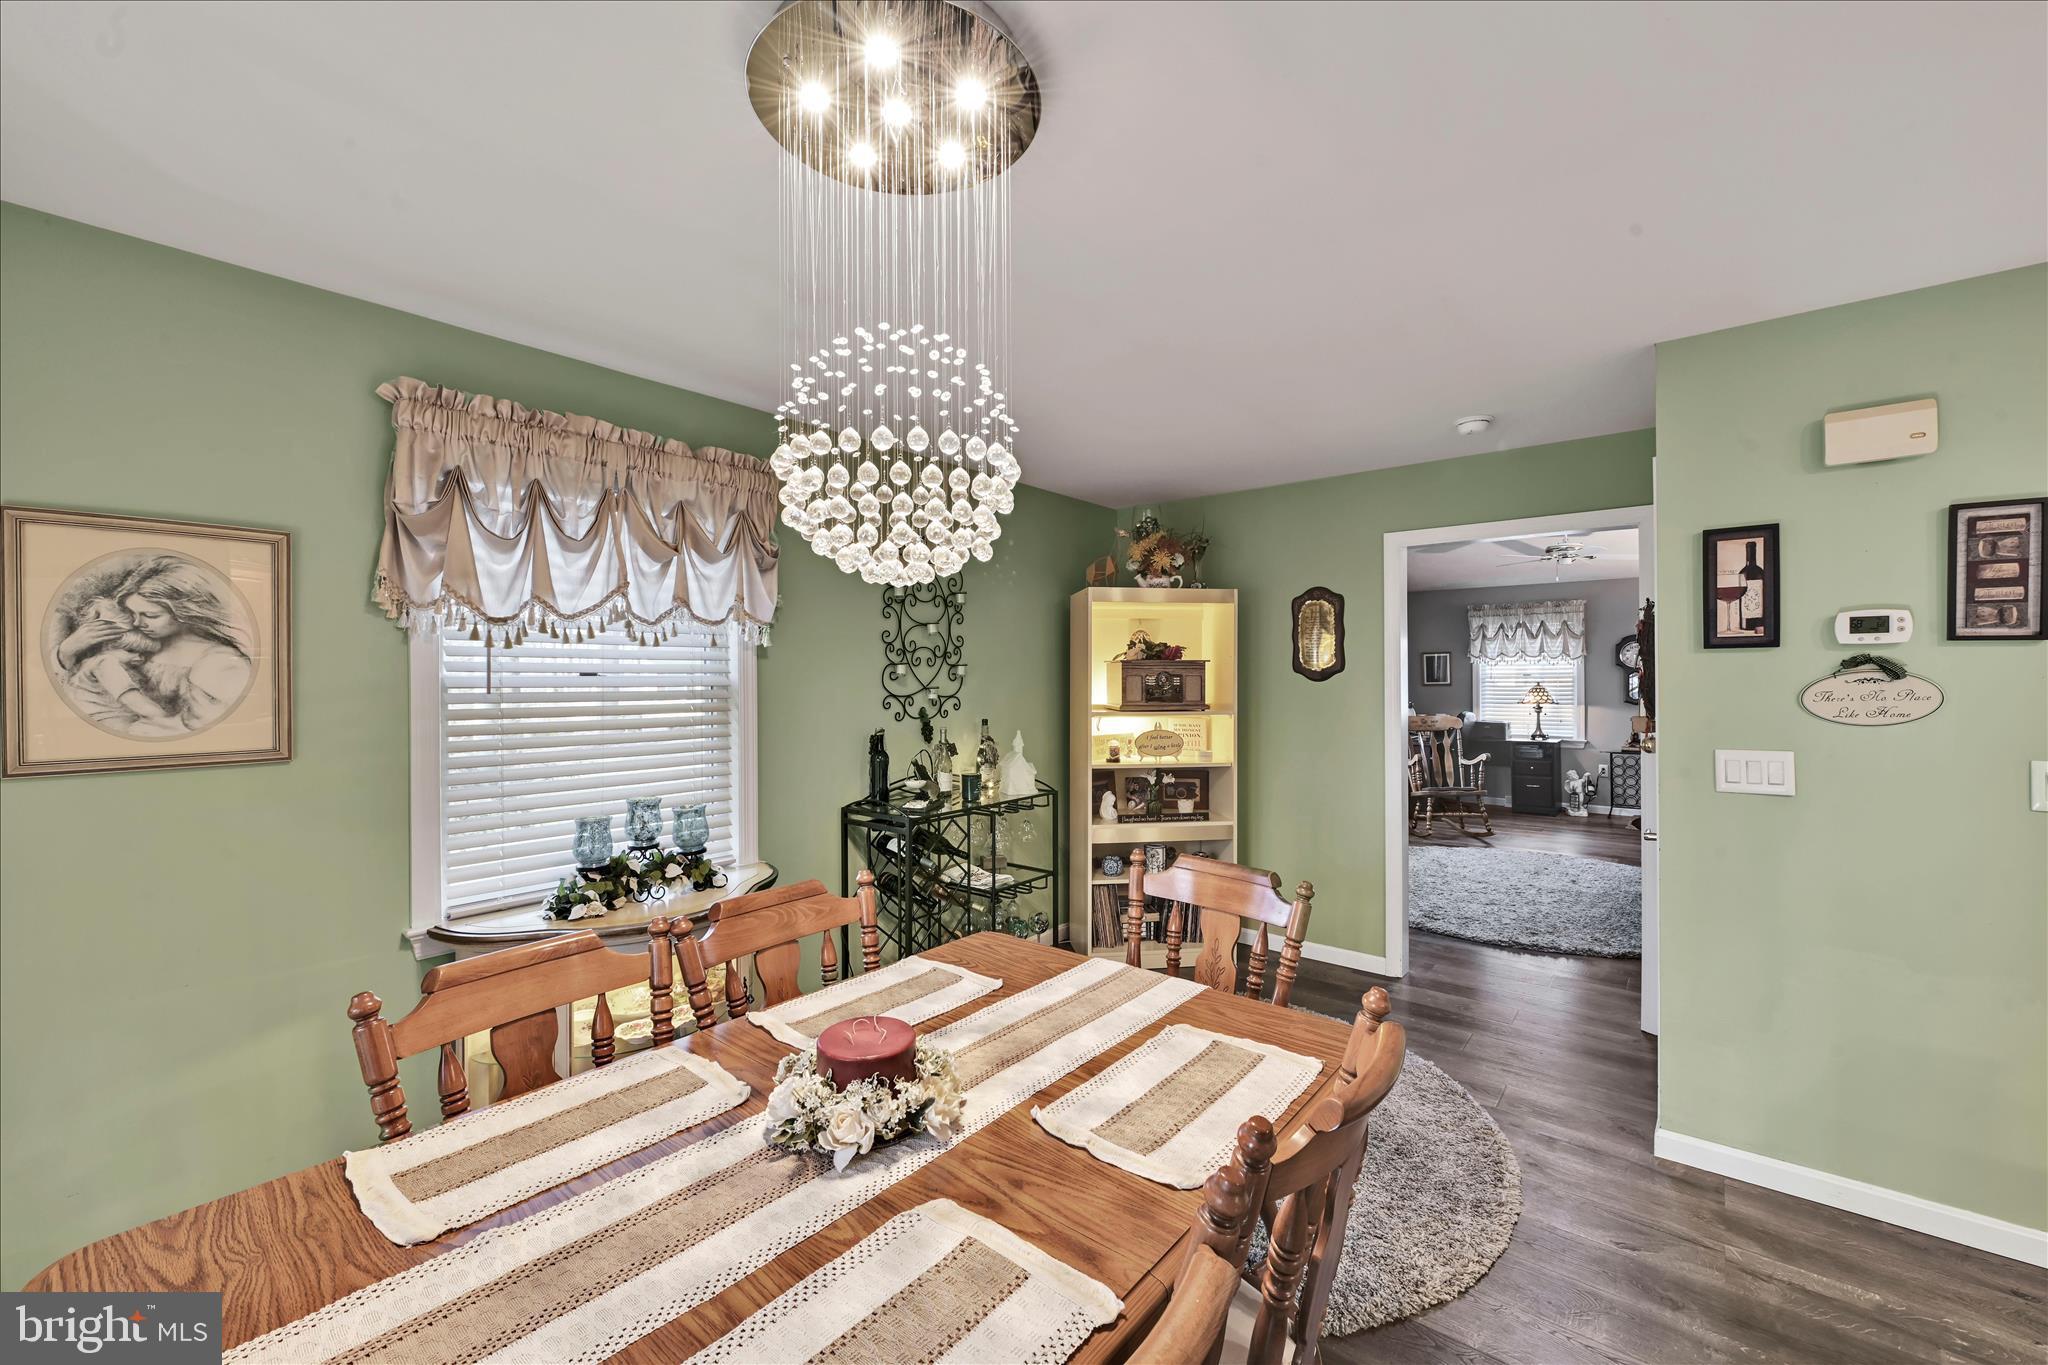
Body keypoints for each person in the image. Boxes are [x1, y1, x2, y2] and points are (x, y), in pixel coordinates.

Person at [51, 556, 253, 736]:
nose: (138, 623)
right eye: (133, 614)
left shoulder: (220, 661)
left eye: (151, 615)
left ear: (185, 612)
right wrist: (67, 650)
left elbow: (211, 730)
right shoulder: (140, 645)